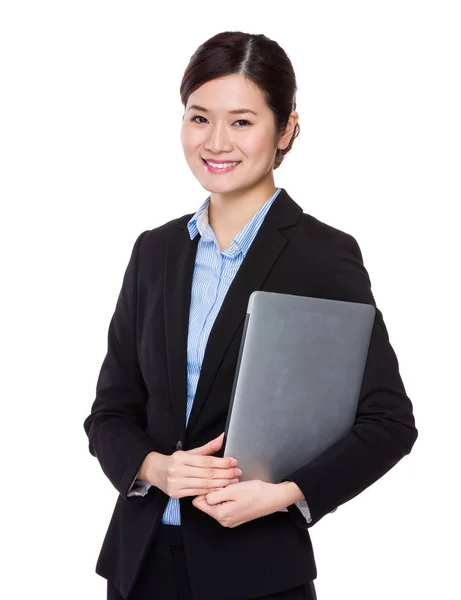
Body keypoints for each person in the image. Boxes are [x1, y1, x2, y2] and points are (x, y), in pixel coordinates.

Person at [83, 31, 418, 600]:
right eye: (198, 118)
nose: (216, 141)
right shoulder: (154, 252)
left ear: (286, 128)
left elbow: (388, 422)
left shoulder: (322, 255)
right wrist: (157, 469)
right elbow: (110, 414)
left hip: (255, 573)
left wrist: (286, 493)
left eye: (241, 121)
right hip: (138, 568)